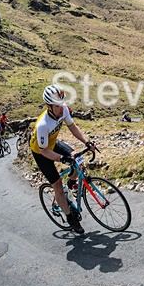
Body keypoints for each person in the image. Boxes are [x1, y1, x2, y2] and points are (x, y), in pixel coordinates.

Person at [30, 84, 96, 235]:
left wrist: (86, 142)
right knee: (58, 186)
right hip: (41, 152)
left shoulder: (63, 110)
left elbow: (72, 127)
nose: (62, 108)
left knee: (77, 159)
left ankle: (72, 182)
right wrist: (61, 159)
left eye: (62, 104)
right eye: (57, 106)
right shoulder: (42, 125)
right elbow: (44, 150)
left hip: (53, 143)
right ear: (49, 106)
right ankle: (70, 218)